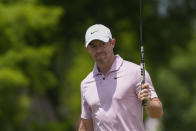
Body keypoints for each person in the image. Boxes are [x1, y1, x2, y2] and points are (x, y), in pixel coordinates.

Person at [78, 24, 163, 131]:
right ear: (87, 49)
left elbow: (157, 113)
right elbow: (86, 124)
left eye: (102, 44)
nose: (98, 50)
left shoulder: (135, 72)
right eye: (93, 46)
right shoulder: (86, 83)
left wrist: (149, 103)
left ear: (112, 43)